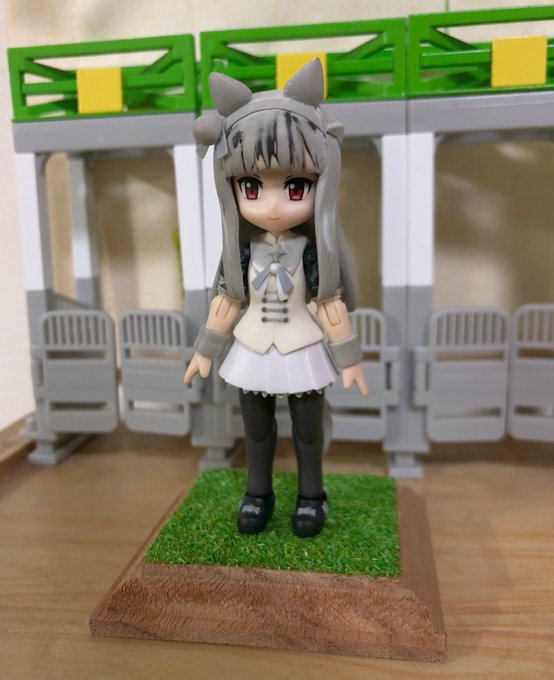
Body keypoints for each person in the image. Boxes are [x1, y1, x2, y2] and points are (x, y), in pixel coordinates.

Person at [184, 58, 367, 538]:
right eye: (251, 186)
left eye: (295, 186)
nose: (271, 204)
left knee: (307, 432)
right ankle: (257, 493)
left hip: (302, 347)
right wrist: (205, 349)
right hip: (251, 348)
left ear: (320, 182)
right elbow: (227, 300)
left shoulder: (315, 252)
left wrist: (348, 357)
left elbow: (329, 303)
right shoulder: (241, 251)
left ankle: (311, 496)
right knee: (257, 432)